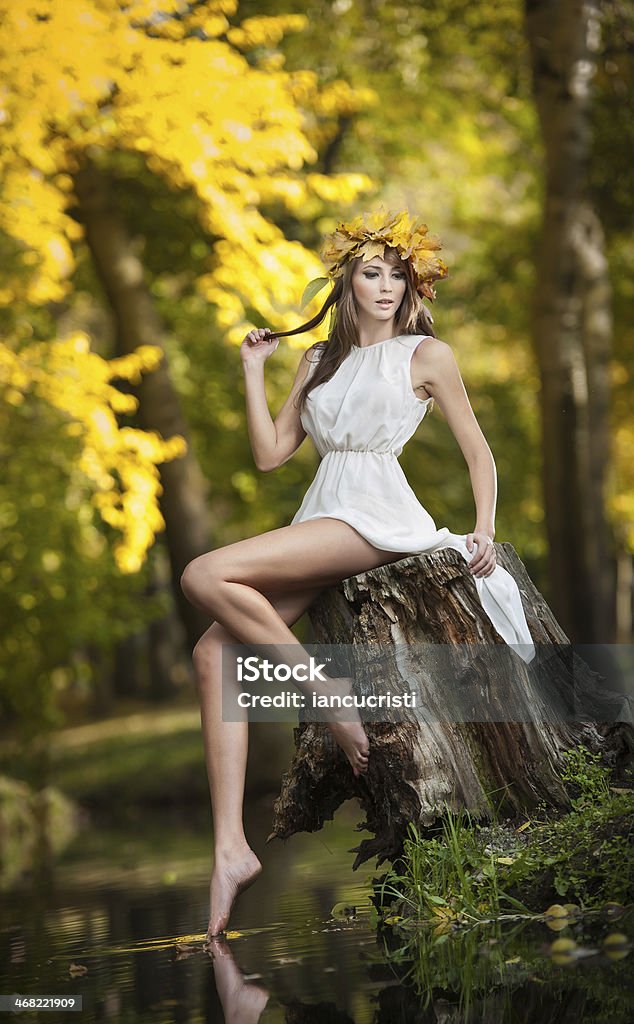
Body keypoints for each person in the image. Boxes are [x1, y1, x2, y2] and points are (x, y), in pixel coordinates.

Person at [180, 207, 536, 940]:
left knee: (204, 572)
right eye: (371, 273)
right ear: (347, 282)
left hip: (375, 516)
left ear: (411, 290)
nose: (384, 286)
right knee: (212, 652)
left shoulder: (425, 356)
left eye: (397, 276)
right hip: (321, 514)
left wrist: (486, 529)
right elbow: (272, 454)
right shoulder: (318, 360)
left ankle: (325, 691)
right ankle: (229, 848)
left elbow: (478, 450)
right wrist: (254, 370)